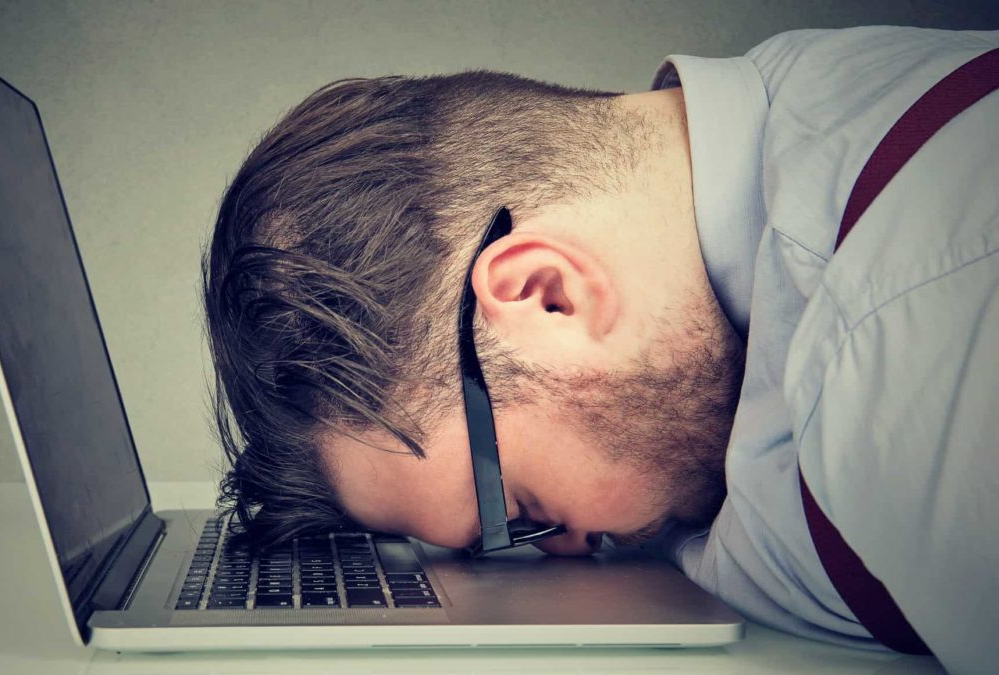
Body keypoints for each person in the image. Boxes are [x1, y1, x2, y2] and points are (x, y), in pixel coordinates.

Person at [202, 25, 998, 672]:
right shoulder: (795, 109)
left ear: (547, 293)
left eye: (518, 513)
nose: (570, 558)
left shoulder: (911, 345)